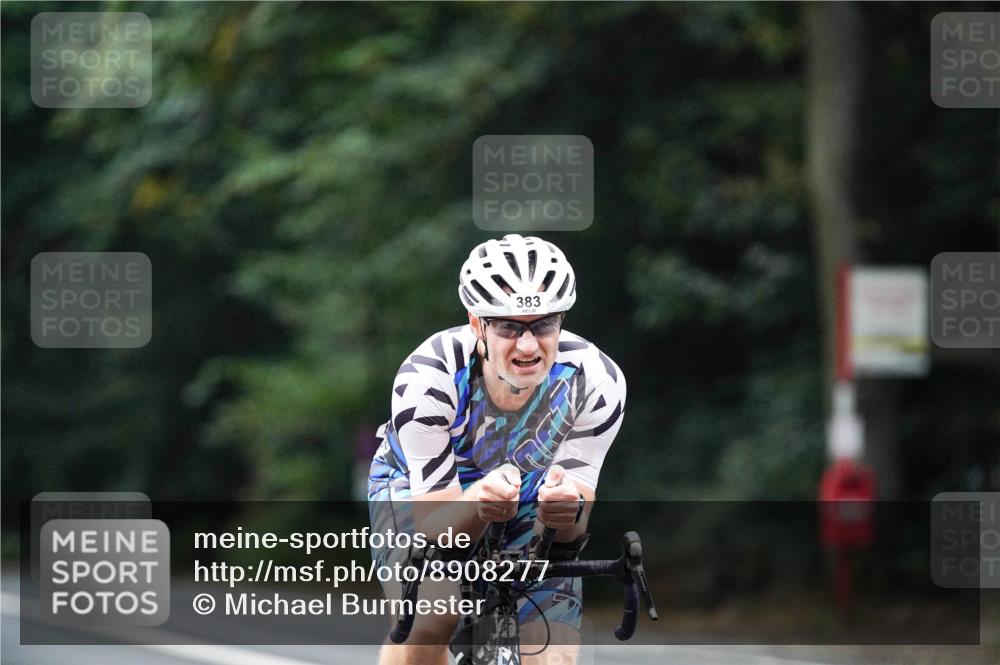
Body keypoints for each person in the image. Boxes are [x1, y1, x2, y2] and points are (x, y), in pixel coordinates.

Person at [368, 234, 626, 665]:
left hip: (527, 491)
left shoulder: (597, 382)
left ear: (561, 321)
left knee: (553, 654)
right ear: (477, 324)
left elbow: (567, 538)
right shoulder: (427, 378)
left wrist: (562, 511)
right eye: (508, 327)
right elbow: (436, 529)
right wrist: (477, 500)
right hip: (422, 489)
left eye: (543, 325)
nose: (528, 346)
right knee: (433, 615)